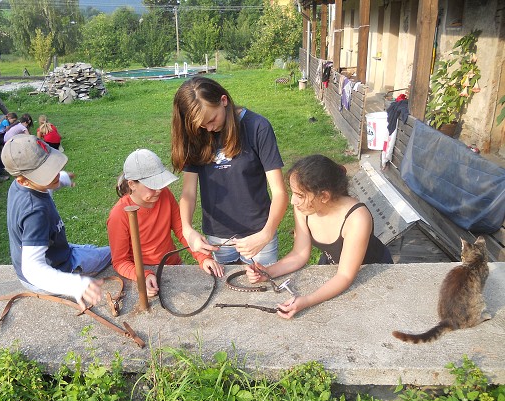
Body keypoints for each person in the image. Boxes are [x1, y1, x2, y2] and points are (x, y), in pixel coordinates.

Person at [246, 155, 393, 319]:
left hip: (370, 271)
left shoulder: (357, 218)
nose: (293, 201)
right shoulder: (305, 209)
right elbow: (299, 254)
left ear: (324, 196)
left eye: (299, 195)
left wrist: (306, 301)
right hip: (335, 267)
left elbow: (345, 275)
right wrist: (267, 272)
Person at [171, 76, 288, 265]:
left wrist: (266, 234)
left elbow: (280, 192)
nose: (209, 129)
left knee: (261, 291)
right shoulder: (198, 135)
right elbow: (188, 193)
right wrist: (187, 229)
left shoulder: (258, 127)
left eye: (212, 119)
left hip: (258, 233)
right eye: (202, 125)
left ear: (223, 101)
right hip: (218, 237)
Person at [2, 134, 111, 310]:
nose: (53, 174)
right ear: (22, 179)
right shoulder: (35, 212)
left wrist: (62, 179)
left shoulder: (22, 185)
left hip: (55, 251)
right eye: (47, 173)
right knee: (113, 253)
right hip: (52, 270)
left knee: (89, 249)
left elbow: (43, 184)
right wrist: (74, 284)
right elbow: (33, 270)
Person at [107, 149, 223, 297]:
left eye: (160, 183)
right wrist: (143, 276)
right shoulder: (119, 215)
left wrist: (203, 257)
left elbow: (182, 230)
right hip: (142, 273)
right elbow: (120, 261)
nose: (159, 190)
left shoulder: (165, 195)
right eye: (152, 185)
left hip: (173, 265)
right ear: (132, 184)